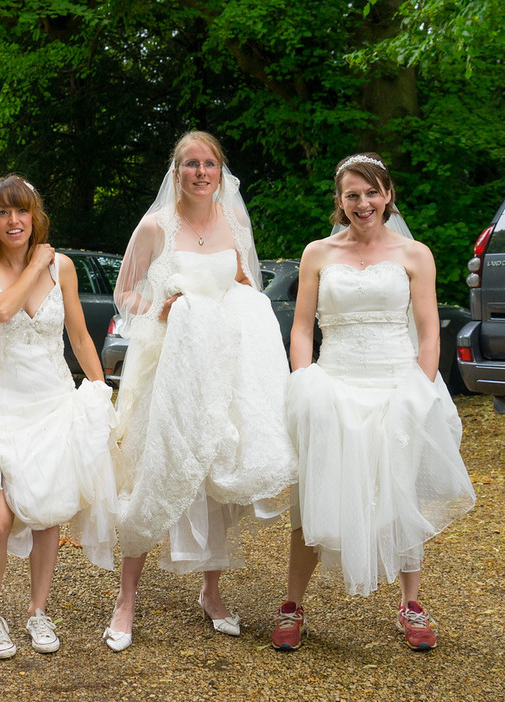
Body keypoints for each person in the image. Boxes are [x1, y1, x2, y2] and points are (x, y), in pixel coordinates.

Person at [270, 153, 476, 652]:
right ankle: (293, 604)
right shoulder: (317, 252)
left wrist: (420, 393)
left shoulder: (414, 254)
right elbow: (301, 329)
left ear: (388, 195)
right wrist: (305, 385)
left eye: (372, 193)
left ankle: (411, 604)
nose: (363, 203)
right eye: (352, 194)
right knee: (315, 493)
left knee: (398, 490)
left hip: (395, 387)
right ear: (339, 201)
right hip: (334, 385)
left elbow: (430, 336)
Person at [103, 131, 297, 652]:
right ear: (176, 172)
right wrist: (160, 306)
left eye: (209, 163)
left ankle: (211, 593)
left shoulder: (233, 223)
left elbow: (244, 288)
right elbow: (125, 293)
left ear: (220, 171)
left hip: (219, 368)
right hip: (164, 364)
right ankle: (126, 599)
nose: (201, 172)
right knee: (155, 470)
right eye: (191, 164)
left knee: (213, 474)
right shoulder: (155, 227)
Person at [0, 174, 118, 660]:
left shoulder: (63, 267)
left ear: (35, 215)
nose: (14, 221)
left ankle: (37, 611)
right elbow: (2, 310)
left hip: (52, 402)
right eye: (4, 212)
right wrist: (37, 264)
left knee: (48, 511)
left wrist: (99, 390)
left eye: (22, 211)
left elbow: (80, 337)